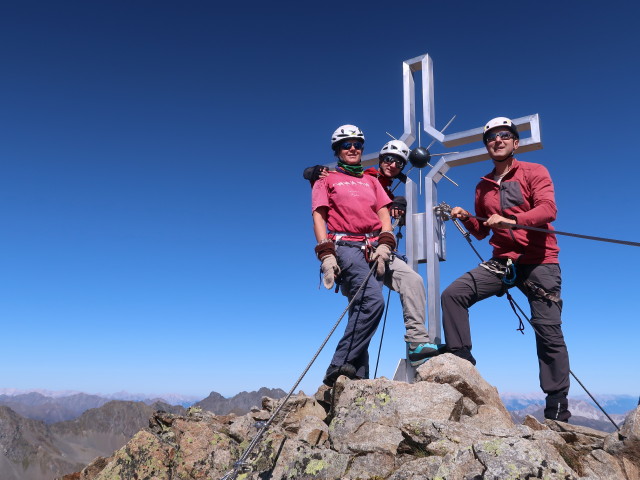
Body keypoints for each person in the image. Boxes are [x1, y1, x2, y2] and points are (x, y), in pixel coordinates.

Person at [439, 116, 571, 422]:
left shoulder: (534, 172)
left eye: (504, 136)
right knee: (453, 295)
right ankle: (462, 362)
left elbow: (548, 209)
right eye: (491, 138)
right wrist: (466, 218)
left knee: (548, 330)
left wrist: (513, 221)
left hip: (540, 259)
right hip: (504, 260)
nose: (497, 141)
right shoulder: (482, 186)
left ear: (515, 142)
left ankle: (557, 403)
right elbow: (483, 231)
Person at [305, 138, 438, 370]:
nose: (392, 164)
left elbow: (384, 211)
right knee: (367, 305)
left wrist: (399, 203)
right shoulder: (366, 176)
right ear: (379, 159)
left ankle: (417, 343)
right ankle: (351, 370)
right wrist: (312, 172)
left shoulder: (380, 185)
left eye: (398, 162)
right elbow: (323, 195)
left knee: (411, 281)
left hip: (378, 246)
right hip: (351, 247)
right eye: (388, 158)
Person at [312, 124, 395, 386]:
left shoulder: (371, 181)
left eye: (357, 144)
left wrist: (385, 244)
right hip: (346, 248)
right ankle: (338, 365)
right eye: (346, 144)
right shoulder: (326, 179)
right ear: (337, 150)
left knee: (360, 310)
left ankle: (357, 380)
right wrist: (326, 253)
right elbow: (319, 216)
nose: (352, 148)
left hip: (373, 250)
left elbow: (384, 216)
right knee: (373, 302)